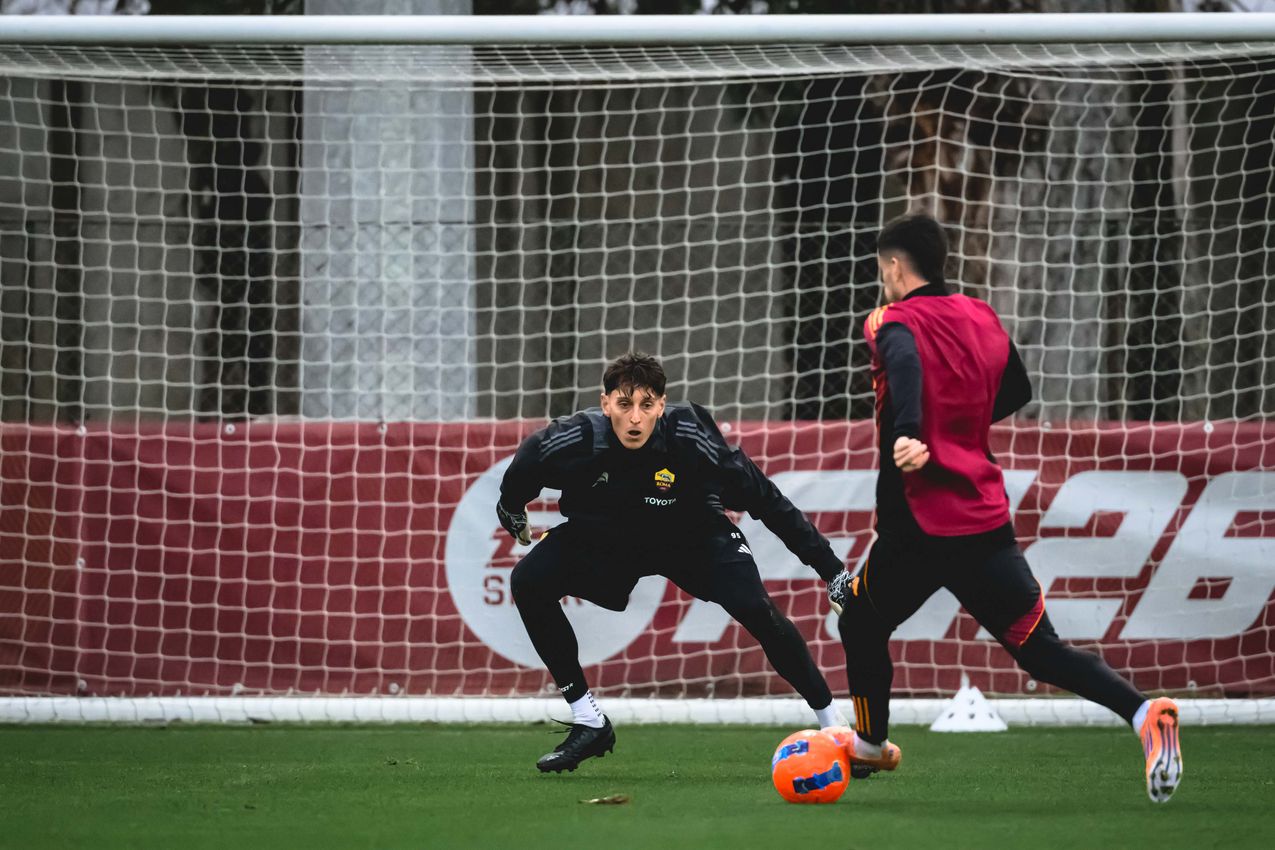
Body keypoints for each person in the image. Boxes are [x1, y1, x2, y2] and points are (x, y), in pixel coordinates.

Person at [826, 213, 1183, 803]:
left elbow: (906, 362)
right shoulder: (981, 314)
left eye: (880, 268)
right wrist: (953, 427)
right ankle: (1146, 714)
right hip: (983, 519)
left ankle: (868, 745)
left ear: (892, 266)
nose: (881, 278)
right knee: (1042, 653)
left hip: (920, 524)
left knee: (861, 620)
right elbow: (1017, 389)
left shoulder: (890, 320)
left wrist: (913, 431)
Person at [497, 352, 848, 773]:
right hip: (608, 541)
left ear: (661, 406)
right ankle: (588, 720)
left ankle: (835, 727)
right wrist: (513, 511)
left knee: (758, 610)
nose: (635, 419)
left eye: (647, 406)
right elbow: (518, 478)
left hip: (694, 537)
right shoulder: (570, 441)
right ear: (605, 402)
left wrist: (834, 573)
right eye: (624, 405)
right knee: (528, 579)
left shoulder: (691, 438)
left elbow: (768, 502)